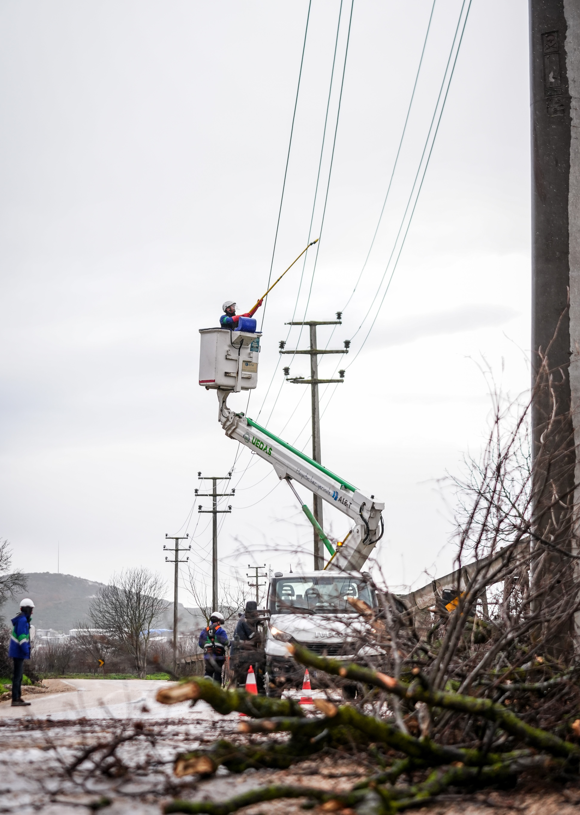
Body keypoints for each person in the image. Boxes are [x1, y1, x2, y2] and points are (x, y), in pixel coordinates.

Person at [9, 598, 35, 707]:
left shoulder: (22, 619)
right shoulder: (23, 620)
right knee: (18, 676)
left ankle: (17, 697)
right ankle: (15, 698)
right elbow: (22, 637)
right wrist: (26, 650)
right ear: (29, 610)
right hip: (18, 651)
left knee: (18, 676)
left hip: (16, 651)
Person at [199, 611, 229, 684]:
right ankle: (217, 689)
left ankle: (206, 688)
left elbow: (200, 644)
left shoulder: (204, 630)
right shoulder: (221, 630)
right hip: (219, 656)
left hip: (208, 655)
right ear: (218, 621)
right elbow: (226, 642)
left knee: (208, 672)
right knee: (217, 673)